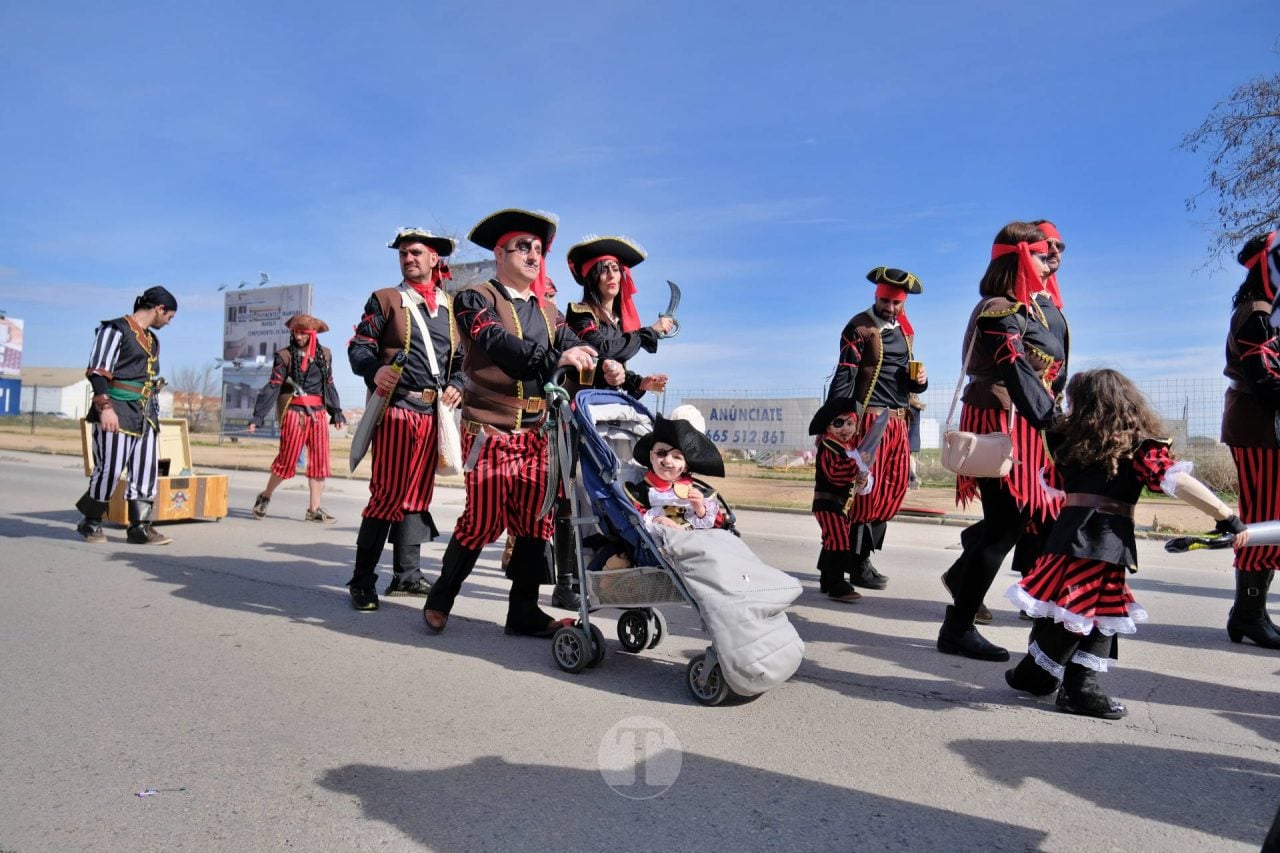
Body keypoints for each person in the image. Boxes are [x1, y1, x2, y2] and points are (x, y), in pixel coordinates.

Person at [422, 208, 625, 637]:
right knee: (481, 522)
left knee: (537, 521)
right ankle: (441, 596)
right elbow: (497, 343)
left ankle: (523, 612)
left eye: (537, 249)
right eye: (523, 247)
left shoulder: (550, 313)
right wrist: (556, 358)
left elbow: (578, 345)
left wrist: (606, 364)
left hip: (537, 435)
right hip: (490, 429)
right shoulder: (474, 298)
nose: (533, 255)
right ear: (500, 254)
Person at [1004, 369, 1248, 718]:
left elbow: (1053, 485)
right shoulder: (1134, 446)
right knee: (1088, 610)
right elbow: (1176, 481)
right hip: (1101, 539)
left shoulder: (1072, 442)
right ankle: (1069, 684)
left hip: (1070, 536)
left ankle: (1041, 675)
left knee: (1086, 609)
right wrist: (1227, 515)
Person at [937, 222, 1064, 661]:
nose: (1054, 258)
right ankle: (957, 627)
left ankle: (1049, 627)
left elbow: (1044, 371)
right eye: (1044, 252)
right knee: (1006, 524)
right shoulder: (999, 308)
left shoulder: (1033, 308)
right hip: (1002, 420)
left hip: (1026, 421)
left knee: (1030, 522)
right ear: (1018, 257)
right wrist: (1053, 420)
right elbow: (1015, 369)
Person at [345, 227, 465, 611]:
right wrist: (373, 370)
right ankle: (362, 581)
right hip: (397, 409)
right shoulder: (385, 299)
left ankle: (406, 575)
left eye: (416, 253)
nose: (409, 258)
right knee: (385, 497)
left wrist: (459, 383)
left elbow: (462, 362)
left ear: (434, 259)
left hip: (434, 413)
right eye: (403, 254)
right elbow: (360, 347)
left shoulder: (451, 306)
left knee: (417, 497)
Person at [825, 266, 928, 591]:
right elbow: (845, 376)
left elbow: (905, 381)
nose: (891, 308)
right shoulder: (858, 327)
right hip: (867, 422)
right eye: (886, 301)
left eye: (897, 303)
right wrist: (837, 422)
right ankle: (843, 568)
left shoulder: (903, 332)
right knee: (857, 496)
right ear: (876, 296)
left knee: (888, 493)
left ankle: (862, 559)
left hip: (897, 422)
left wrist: (920, 382)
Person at [74, 286, 178, 546]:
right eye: (170, 316)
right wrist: (104, 407)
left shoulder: (153, 340)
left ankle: (140, 528)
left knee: (145, 470)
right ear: (159, 309)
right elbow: (98, 371)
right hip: (116, 408)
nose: (169, 321)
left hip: (146, 412)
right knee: (109, 469)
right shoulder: (115, 329)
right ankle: (91, 522)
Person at [1220, 230, 1280, 649]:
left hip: (1265, 426)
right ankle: (1248, 614)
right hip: (1259, 428)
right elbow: (1265, 382)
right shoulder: (1256, 312)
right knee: (1263, 520)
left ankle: (1250, 613)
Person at [247, 314, 345, 523]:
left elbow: (329, 383)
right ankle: (265, 496)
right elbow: (273, 385)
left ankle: (314, 509)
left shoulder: (325, 354)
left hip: (318, 414)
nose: (298, 336)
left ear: (312, 334)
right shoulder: (284, 355)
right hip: (294, 413)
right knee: (287, 461)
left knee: (320, 462)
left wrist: (336, 411)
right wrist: (258, 417)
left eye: (303, 333)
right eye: (295, 332)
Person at [563, 235, 673, 399]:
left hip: (609, 404)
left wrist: (641, 382)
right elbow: (604, 350)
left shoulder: (618, 321)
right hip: (581, 404)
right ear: (593, 278)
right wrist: (649, 332)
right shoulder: (580, 313)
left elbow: (616, 368)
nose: (611, 275)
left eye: (615, 269)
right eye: (603, 270)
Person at [808, 397, 871, 603]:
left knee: (831, 540)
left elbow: (851, 476)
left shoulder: (847, 448)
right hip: (828, 503)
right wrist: (856, 468)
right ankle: (837, 584)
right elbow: (835, 473)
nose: (845, 428)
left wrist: (861, 476)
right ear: (828, 427)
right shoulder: (829, 446)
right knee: (839, 540)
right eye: (839, 423)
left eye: (850, 423)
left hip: (839, 504)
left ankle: (827, 580)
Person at [626, 413, 727, 531]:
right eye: (661, 453)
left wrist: (700, 509)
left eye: (677, 457)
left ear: (685, 467)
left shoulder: (696, 491)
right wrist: (656, 520)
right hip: (660, 544)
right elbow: (634, 519)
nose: (667, 460)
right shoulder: (641, 492)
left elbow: (717, 524)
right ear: (651, 457)